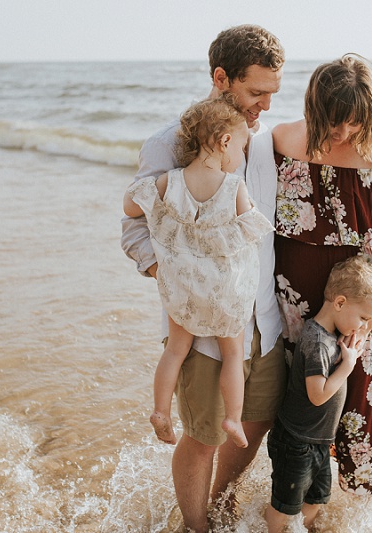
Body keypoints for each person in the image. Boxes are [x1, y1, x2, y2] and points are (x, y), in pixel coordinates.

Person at [120, 25, 286, 532]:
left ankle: (221, 502)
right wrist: (175, 278)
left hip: (263, 314)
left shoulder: (263, 143)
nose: (264, 107)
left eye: (272, 94)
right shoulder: (169, 144)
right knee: (203, 435)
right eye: (256, 93)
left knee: (253, 422)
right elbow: (132, 228)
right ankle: (196, 526)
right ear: (221, 78)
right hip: (201, 321)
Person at [271, 54, 372, 504]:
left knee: (365, 414)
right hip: (293, 310)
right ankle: (296, 504)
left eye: (353, 123)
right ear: (314, 108)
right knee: (300, 414)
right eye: (332, 123)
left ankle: (359, 513)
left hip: (358, 310)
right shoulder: (282, 140)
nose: (341, 134)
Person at [123, 94, 273, 449]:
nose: (240, 155)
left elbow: (131, 207)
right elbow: (252, 226)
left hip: (182, 288)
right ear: (224, 142)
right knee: (233, 354)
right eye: (240, 146)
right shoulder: (234, 186)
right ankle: (233, 419)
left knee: (175, 350)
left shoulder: (169, 182)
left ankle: (160, 411)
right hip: (224, 294)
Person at [265, 254, 372, 532]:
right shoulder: (318, 341)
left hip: (318, 441)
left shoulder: (332, 336)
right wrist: (347, 365)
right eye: (364, 318)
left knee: (317, 500)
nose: (365, 327)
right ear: (340, 303)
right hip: (296, 442)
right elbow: (318, 395)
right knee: (284, 508)